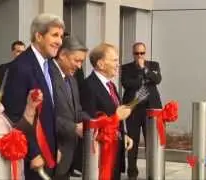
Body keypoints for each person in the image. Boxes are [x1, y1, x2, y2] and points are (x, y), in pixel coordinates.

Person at [1, 13, 64, 179]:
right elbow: (14, 116)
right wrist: (33, 152)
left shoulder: (48, 64)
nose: (60, 41)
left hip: (48, 152)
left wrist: (54, 146)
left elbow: (49, 112)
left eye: (61, 36)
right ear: (38, 36)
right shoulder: (20, 67)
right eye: (55, 35)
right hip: (31, 160)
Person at [80, 43, 134, 180]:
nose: (118, 64)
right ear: (101, 64)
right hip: (100, 156)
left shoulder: (111, 86)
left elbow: (113, 113)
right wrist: (117, 117)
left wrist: (123, 134)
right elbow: (90, 124)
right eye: (115, 60)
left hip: (115, 149)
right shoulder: (89, 86)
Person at [49, 36, 89, 180]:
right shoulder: (46, 76)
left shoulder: (71, 78)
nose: (79, 66)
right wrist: (73, 128)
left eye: (82, 62)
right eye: (76, 61)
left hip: (68, 154)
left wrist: (94, 122)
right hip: (52, 151)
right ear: (63, 55)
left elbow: (76, 111)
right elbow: (44, 115)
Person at [121, 42, 162, 180]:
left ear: (146, 53)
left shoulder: (153, 65)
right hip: (133, 109)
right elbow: (126, 83)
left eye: (142, 53)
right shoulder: (126, 68)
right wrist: (141, 76)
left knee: (151, 142)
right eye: (137, 53)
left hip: (150, 109)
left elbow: (157, 79)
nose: (139, 56)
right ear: (133, 54)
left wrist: (145, 70)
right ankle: (132, 172)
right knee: (133, 141)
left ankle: (153, 171)